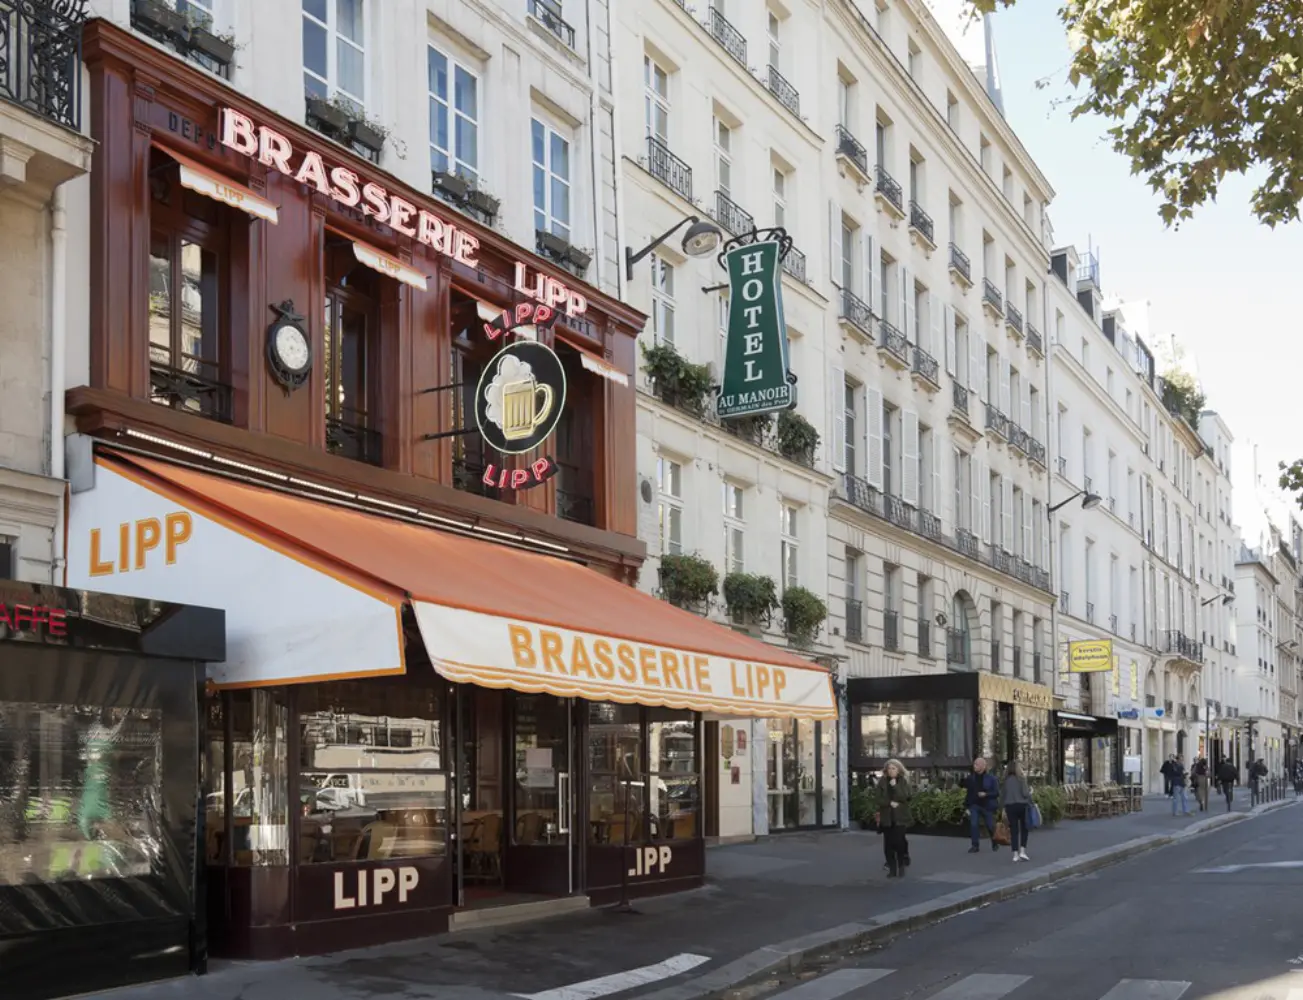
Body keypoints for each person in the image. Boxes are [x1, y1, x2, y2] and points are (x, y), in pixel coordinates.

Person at [877, 759, 912, 878]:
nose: (891, 771)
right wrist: (889, 803)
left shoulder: (903, 781)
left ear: (899, 770)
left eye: (894, 768)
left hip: (900, 817)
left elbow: (905, 797)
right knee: (888, 845)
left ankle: (901, 865)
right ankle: (892, 869)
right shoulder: (882, 782)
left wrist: (895, 786)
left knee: (899, 843)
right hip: (887, 817)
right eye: (889, 768)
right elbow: (878, 799)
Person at [964, 757, 1000, 853]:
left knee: (990, 825)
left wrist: (986, 794)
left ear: (983, 766)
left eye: (976, 764)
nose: (974, 766)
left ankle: (994, 841)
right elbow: (969, 793)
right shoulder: (971, 778)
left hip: (987, 805)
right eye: (974, 764)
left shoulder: (991, 778)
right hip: (975, 805)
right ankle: (975, 845)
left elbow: (996, 792)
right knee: (973, 824)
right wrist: (967, 806)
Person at [1001, 761, 1032, 863]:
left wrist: (1003, 808)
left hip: (1010, 806)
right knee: (1024, 828)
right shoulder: (1021, 779)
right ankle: (1023, 851)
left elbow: (1003, 796)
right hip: (1022, 805)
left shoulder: (1005, 781)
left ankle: (1015, 854)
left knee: (1014, 830)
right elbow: (1025, 793)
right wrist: (1031, 792)